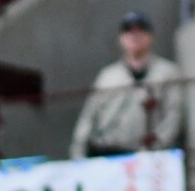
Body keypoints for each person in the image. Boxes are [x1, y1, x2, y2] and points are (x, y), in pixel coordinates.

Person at [69, 14, 184, 160]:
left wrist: (156, 148)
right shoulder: (107, 76)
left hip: (149, 156)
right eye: (129, 31)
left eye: (141, 30)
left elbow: (174, 117)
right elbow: (88, 118)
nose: (135, 35)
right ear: (121, 38)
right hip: (108, 154)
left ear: (151, 36)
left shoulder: (167, 73)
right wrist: (78, 154)